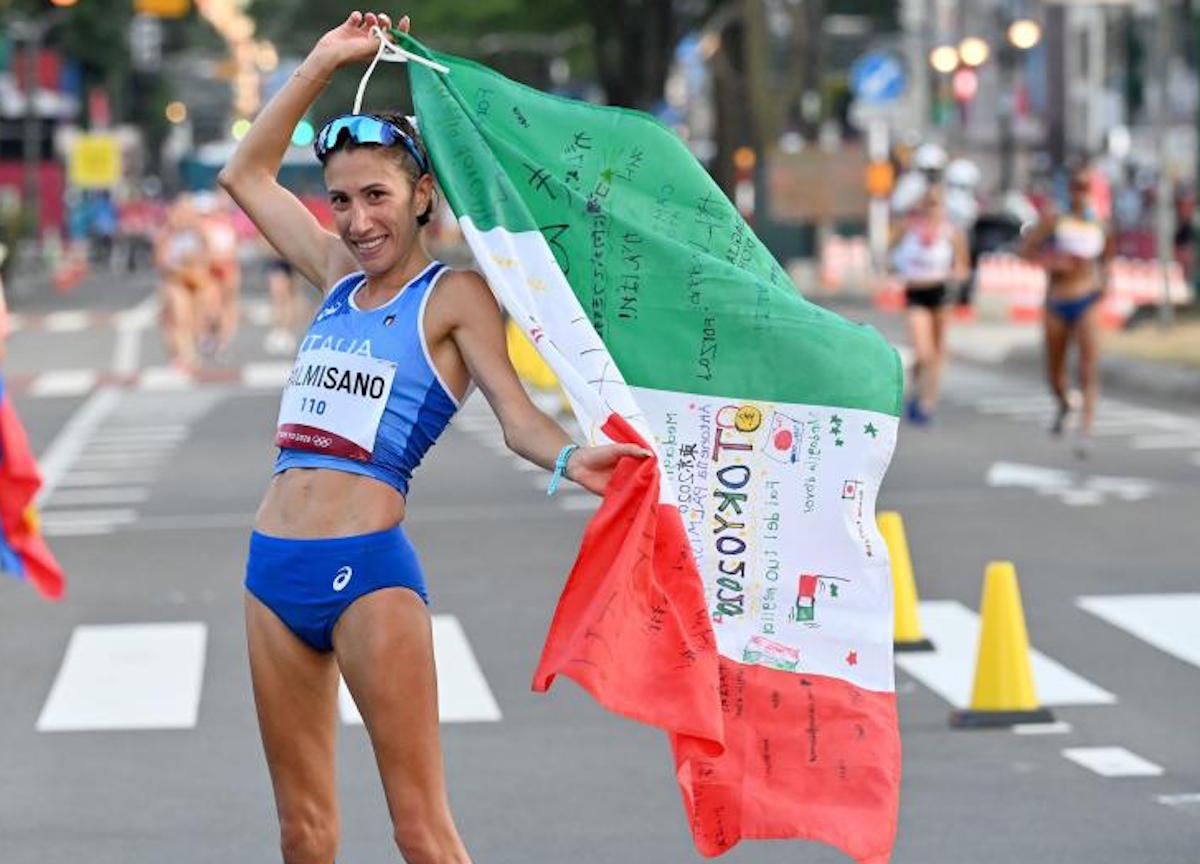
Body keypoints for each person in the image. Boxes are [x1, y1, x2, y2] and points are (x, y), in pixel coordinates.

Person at [217, 12, 649, 864]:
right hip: (271, 569)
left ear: (422, 196)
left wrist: (571, 454)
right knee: (302, 836)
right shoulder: (338, 281)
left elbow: (517, 415)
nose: (355, 220)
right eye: (340, 199)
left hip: (367, 576)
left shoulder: (452, 298)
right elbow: (245, 173)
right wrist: (325, 62)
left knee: (421, 831)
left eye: (376, 196)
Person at [1019, 163, 1113, 457]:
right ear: (1069, 189)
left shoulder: (1100, 223)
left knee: (1088, 367)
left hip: (1087, 299)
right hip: (1057, 300)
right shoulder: (1055, 220)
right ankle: (1063, 402)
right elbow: (1026, 250)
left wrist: (1104, 285)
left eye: (1087, 186)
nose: (1081, 192)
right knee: (1054, 372)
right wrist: (1051, 260)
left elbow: (1108, 260)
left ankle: (1085, 430)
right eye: (1077, 186)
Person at [888, 184, 969, 424]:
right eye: (928, 203)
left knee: (938, 353)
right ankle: (916, 390)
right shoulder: (908, 228)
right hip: (916, 294)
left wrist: (956, 273)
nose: (932, 209)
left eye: (937, 204)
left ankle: (927, 403)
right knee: (923, 352)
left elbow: (963, 266)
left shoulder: (952, 233)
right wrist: (893, 271)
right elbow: (889, 252)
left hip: (941, 294)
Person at [154, 195, 214, 370]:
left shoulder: (198, 231)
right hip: (175, 280)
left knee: (196, 318)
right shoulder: (167, 232)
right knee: (179, 318)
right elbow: (161, 261)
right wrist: (180, 264)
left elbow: (207, 254)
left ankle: (189, 351)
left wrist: (197, 264)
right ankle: (184, 355)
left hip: (194, 278)